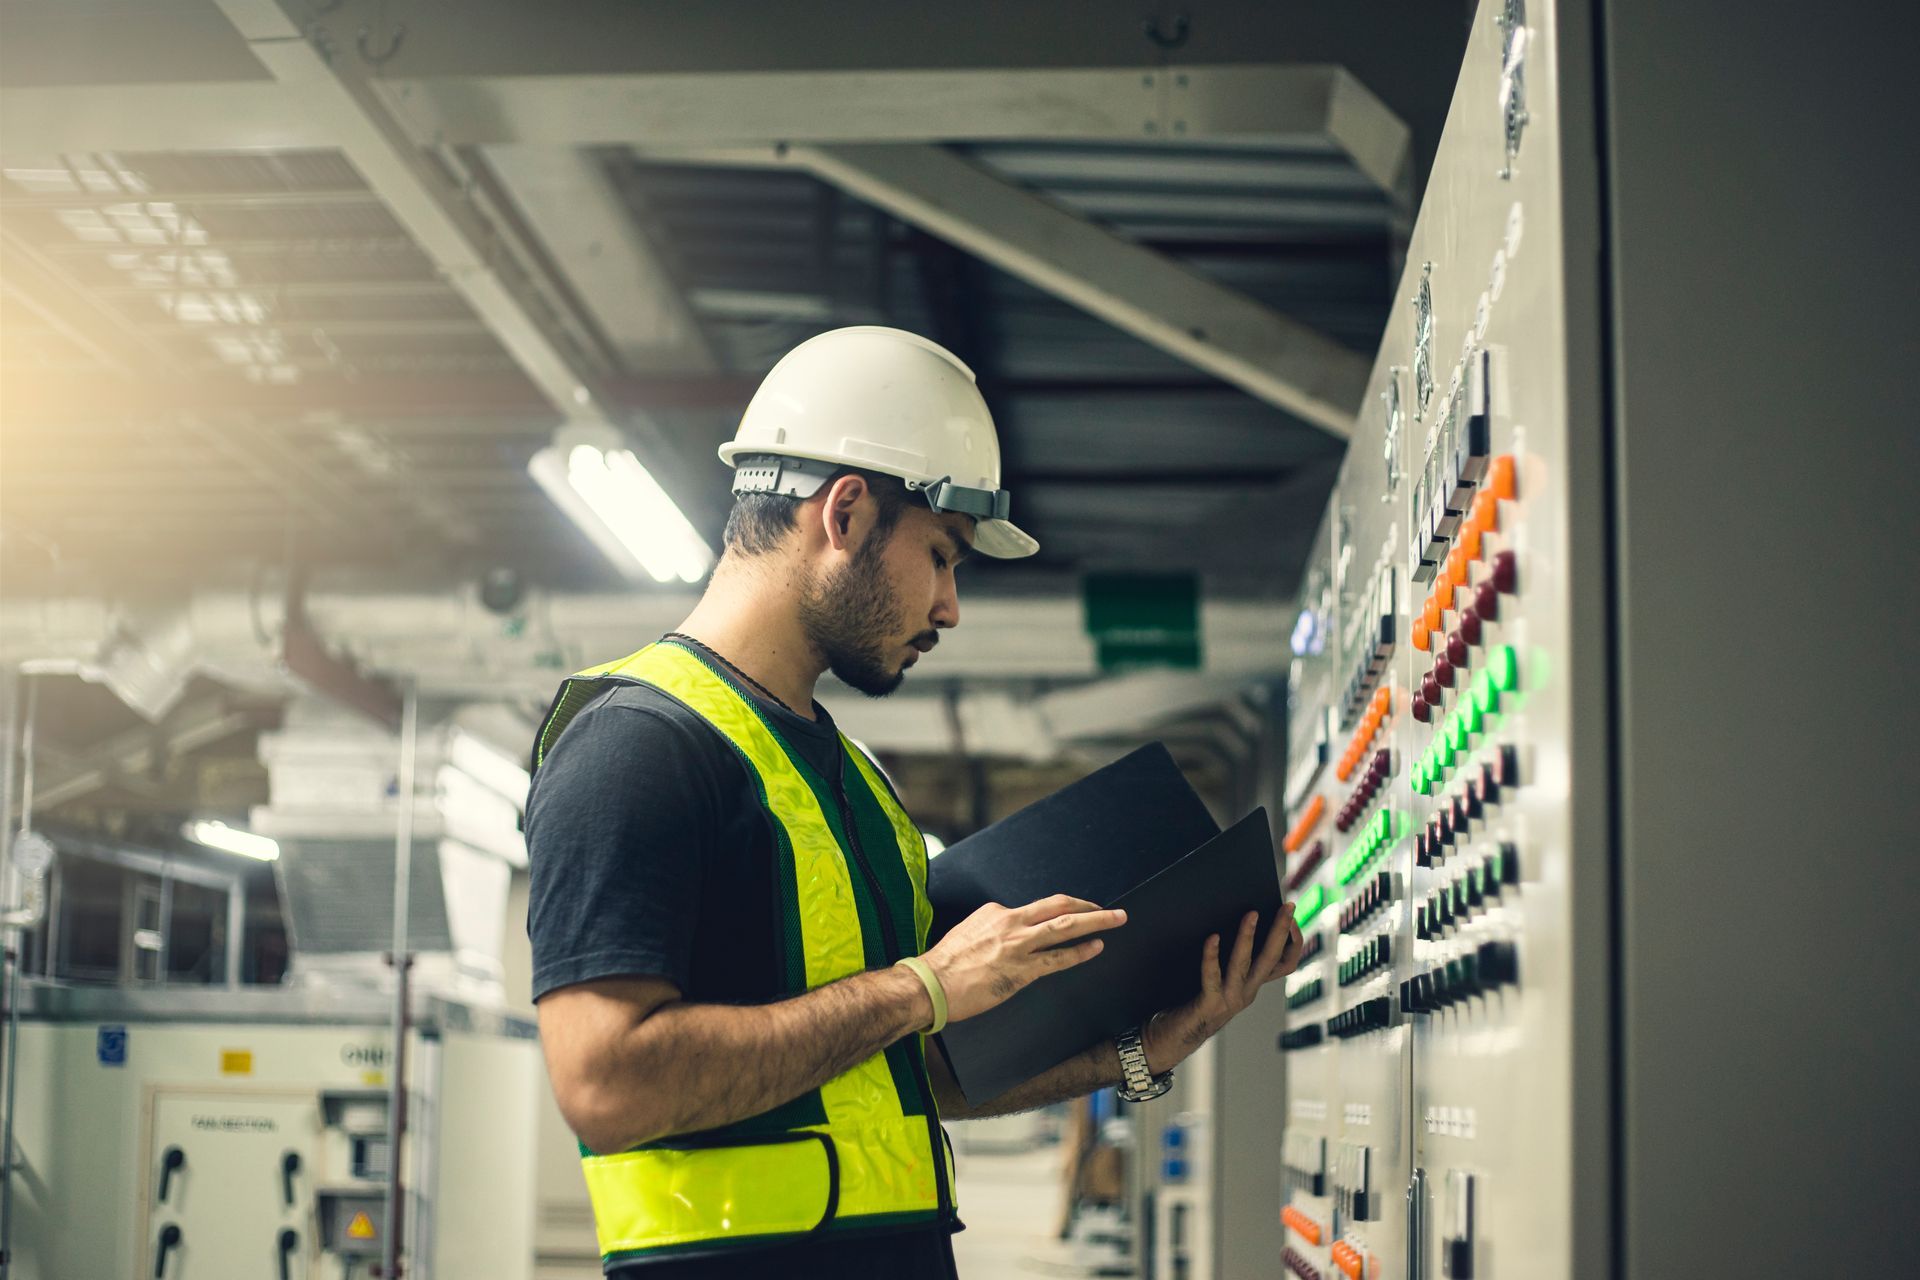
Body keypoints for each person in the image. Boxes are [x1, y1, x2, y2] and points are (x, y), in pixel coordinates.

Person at [526, 326, 1304, 1278]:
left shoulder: (854, 782)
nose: (950, 607)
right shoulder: (637, 746)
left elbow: (908, 1072)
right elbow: (605, 1082)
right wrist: (922, 985)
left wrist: (1134, 1052)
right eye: (941, 555)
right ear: (845, 514)